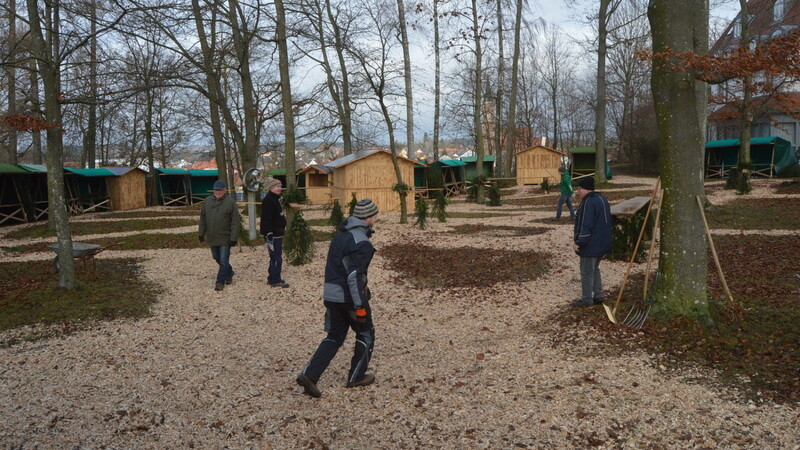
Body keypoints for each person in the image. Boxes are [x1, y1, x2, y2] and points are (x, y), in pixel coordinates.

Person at [296, 199, 379, 398]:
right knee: (366, 333)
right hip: (349, 298)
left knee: (334, 336)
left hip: (331, 294)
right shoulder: (362, 242)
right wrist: (360, 306)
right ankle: (356, 376)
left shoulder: (341, 235)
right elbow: (354, 276)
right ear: (368, 217)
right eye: (375, 215)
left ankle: (310, 375)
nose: (377, 218)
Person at [572, 177, 612, 307]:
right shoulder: (603, 200)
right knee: (595, 269)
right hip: (603, 243)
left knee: (586, 273)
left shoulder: (588, 203)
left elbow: (585, 224)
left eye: (580, 189)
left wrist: (580, 242)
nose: (579, 192)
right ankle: (599, 295)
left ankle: (587, 300)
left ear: (585, 189)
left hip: (591, 244)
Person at [198, 179, 240, 291]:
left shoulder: (230, 202)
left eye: (220, 190)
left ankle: (220, 282)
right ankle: (229, 272)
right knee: (216, 257)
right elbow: (203, 219)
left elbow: (235, 222)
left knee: (223, 260)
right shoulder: (207, 201)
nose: (218, 192)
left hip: (225, 237)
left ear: (225, 190)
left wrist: (234, 237)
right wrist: (201, 233)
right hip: (212, 236)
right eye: (216, 190)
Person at [260, 178, 288, 288]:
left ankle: (272, 277)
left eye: (280, 186)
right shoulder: (269, 200)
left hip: (278, 233)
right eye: (277, 187)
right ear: (271, 188)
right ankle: (275, 279)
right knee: (276, 257)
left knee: (275, 256)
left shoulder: (276, 199)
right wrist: (269, 233)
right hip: (273, 234)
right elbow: (267, 218)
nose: (280, 188)